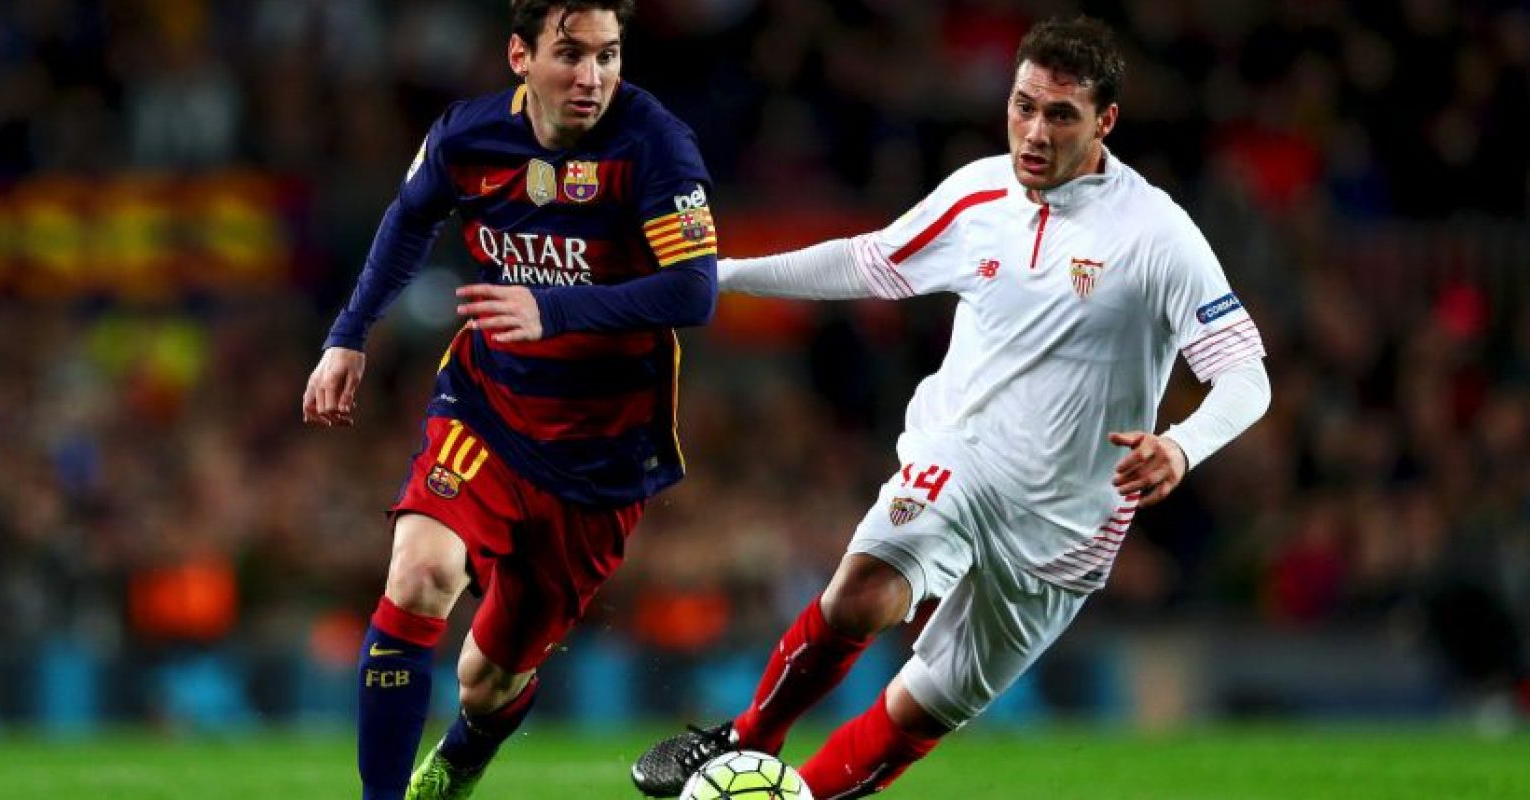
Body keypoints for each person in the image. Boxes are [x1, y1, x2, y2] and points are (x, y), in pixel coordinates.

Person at [631, 15, 1270, 799]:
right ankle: (746, 738)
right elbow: (868, 261)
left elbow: (1246, 374)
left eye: (1061, 114)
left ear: (1105, 121)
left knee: (919, 711)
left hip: (1066, 530)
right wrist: (721, 276)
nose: (1035, 132)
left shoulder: (1157, 235)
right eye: (1023, 106)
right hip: (962, 457)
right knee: (864, 590)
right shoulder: (979, 193)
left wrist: (1181, 445)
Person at [301, 1, 720, 798]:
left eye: (608, 55)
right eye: (571, 54)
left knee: (487, 680)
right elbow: (408, 219)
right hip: (487, 407)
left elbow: (694, 290)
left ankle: (463, 758)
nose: (591, 77)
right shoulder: (469, 136)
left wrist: (551, 309)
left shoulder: (653, 144)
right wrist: (349, 333)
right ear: (520, 56)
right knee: (419, 574)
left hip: (601, 453)